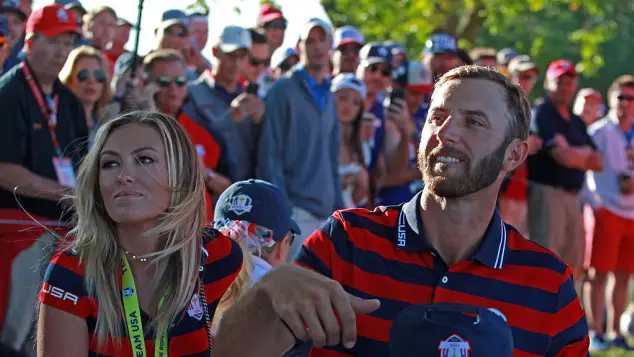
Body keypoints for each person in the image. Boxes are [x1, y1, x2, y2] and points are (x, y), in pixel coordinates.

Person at [284, 65, 590, 356]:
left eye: (473, 122)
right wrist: (264, 296)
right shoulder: (345, 242)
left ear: (514, 154)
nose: (446, 133)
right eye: (437, 116)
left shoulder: (548, 285)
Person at [38, 111, 380, 357]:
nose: (124, 175)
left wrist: (279, 286)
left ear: (181, 176)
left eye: (144, 160)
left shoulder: (218, 255)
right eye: (110, 163)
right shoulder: (71, 271)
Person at [0, 5, 87, 351]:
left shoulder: (66, 99)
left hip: (58, 233)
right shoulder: (9, 93)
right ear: (30, 41)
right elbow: (4, 170)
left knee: (39, 335)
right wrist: (65, 194)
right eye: (53, 41)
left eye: (67, 43)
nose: (61, 52)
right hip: (16, 232)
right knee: (12, 331)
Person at [257, 19, 343, 261]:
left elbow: (332, 158)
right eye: (310, 41)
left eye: (322, 39)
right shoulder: (280, 91)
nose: (316, 46)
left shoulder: (331, 96)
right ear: (299, 46)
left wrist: (338, 210)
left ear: (330, 45)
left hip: (326, 214)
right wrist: (283, 211)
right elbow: (270, 154)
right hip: (296, 213)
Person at [527, 59, 603, 278]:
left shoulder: (576, 121)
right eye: (560, 82)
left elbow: (598, 162)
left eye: (569, 82)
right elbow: (561, 157)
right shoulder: (542, 113)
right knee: (547, 261)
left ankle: (562, 312)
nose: (565, 87)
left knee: (572, 265)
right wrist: (583, 155)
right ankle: (540, 312)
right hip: (548, 194)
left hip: (573, 197)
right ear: (549, 83)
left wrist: (573, 153)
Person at [584, 75, 634, 351]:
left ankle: (616, 332)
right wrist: (594, 204)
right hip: (606, 209)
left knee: (624, 274)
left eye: (631, 98)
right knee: (598, 273)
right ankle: (595, 331)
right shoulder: (599, 132)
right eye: (621, 98)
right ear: (612, 99)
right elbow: (584, 171)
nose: (626, 104)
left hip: (631, 214)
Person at [331, 73, 371, 208]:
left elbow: (357, 200)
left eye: (356, 103)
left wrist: (362, 184)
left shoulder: (362, 148)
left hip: (346, 224)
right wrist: (345, 181)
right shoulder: (316, 141)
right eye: (343, 98)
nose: (348, 106)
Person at [58, 45, 112, 143]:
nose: (91, 81)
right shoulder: (58, 121)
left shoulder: (107, 125)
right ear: (69, 79)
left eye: (98, 75)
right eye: (83, 75)